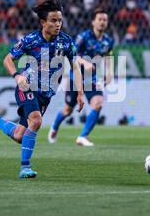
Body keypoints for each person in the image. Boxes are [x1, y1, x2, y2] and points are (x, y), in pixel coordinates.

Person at [0, 0, 84, 178]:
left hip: (45, 94)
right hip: (27, 86)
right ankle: (25, 167)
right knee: (36, 121)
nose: (58, 24)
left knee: (19, 135)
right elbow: (7, 59)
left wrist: (80, 92)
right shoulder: (30, 40)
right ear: (43, 22)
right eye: (53, 20)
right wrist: (17, 76)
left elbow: (76, 66)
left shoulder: (66, 41)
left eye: (60, 20)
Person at [48, 9, 114, 146]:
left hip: (92, 79)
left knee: (98, 103)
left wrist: (109, 75)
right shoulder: (83, 37)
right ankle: (54, 127)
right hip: (75, 78)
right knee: (68, 110)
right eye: (100, 19)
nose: (102, 22)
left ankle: (83, 136)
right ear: (93, 22)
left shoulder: (108, 41)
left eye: (105, 20)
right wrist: (85, 63)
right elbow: (73, 55)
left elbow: (108, 59)